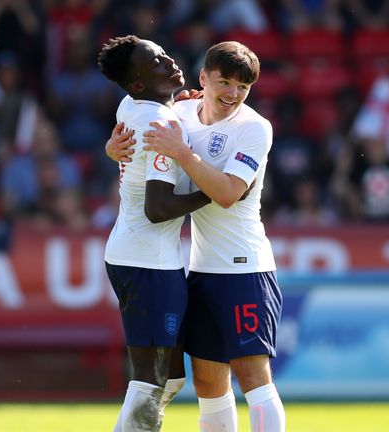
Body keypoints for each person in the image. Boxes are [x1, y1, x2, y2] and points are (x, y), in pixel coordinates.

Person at [109, 40, 286, 432]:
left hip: (245, 268)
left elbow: (226, 194)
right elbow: (136, 128)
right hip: (201, 270)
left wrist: (184, 154)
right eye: (224, 82)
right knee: (207, 382)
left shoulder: (254, 128)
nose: (233, 94)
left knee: (253, 376)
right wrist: (113, 148)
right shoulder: (180, 112)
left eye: (243, 87)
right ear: (203, 78)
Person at [97, 35, 213, 431]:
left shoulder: (133, 104)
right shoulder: (159, 122)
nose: (169, 62)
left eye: (163, 53)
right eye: (157, 62)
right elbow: (158, 208)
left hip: (140, 255)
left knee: (171, 377)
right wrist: (214, 191)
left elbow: (135, 123)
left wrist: (182, 104)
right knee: (150, 378)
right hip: (146, 260)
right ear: (139, 83)